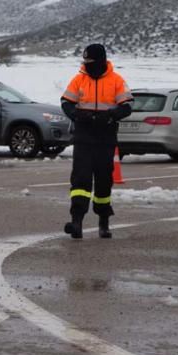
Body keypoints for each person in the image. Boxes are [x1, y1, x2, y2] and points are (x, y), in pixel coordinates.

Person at [60, 43, 133, 239]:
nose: (87, 65)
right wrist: (75, 114)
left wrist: (111, 115)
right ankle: (76, 222)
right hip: (84, 136)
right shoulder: (79, 79)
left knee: (103, 181)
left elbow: (127, 106)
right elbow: (66, 101)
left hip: (105, 136)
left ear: (100, 60)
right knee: (80, 179)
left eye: (90, 61)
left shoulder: (116, 80)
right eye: (85, 61)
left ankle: (104, 221)